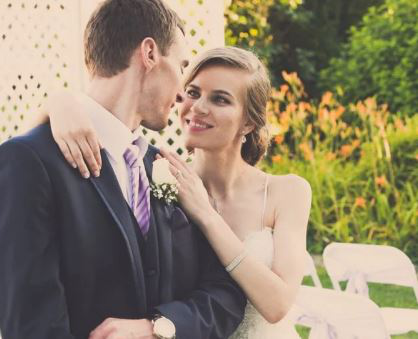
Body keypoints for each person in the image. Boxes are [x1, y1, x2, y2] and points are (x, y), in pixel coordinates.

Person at [0, 1, 247, 338]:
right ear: (149, 53)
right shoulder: (29, 161)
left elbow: (225, 293)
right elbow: (31, 326)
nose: (182, 95)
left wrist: (158, 327)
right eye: (181, 65)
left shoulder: (163, 168)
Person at [41, 46, 312, 338]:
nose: (197, 107)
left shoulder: (287, 191)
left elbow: (278, 305)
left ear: (248, 122)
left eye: (220, 99)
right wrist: (57, 103)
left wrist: (206, 216)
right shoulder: (156, 175)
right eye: (193, 92)